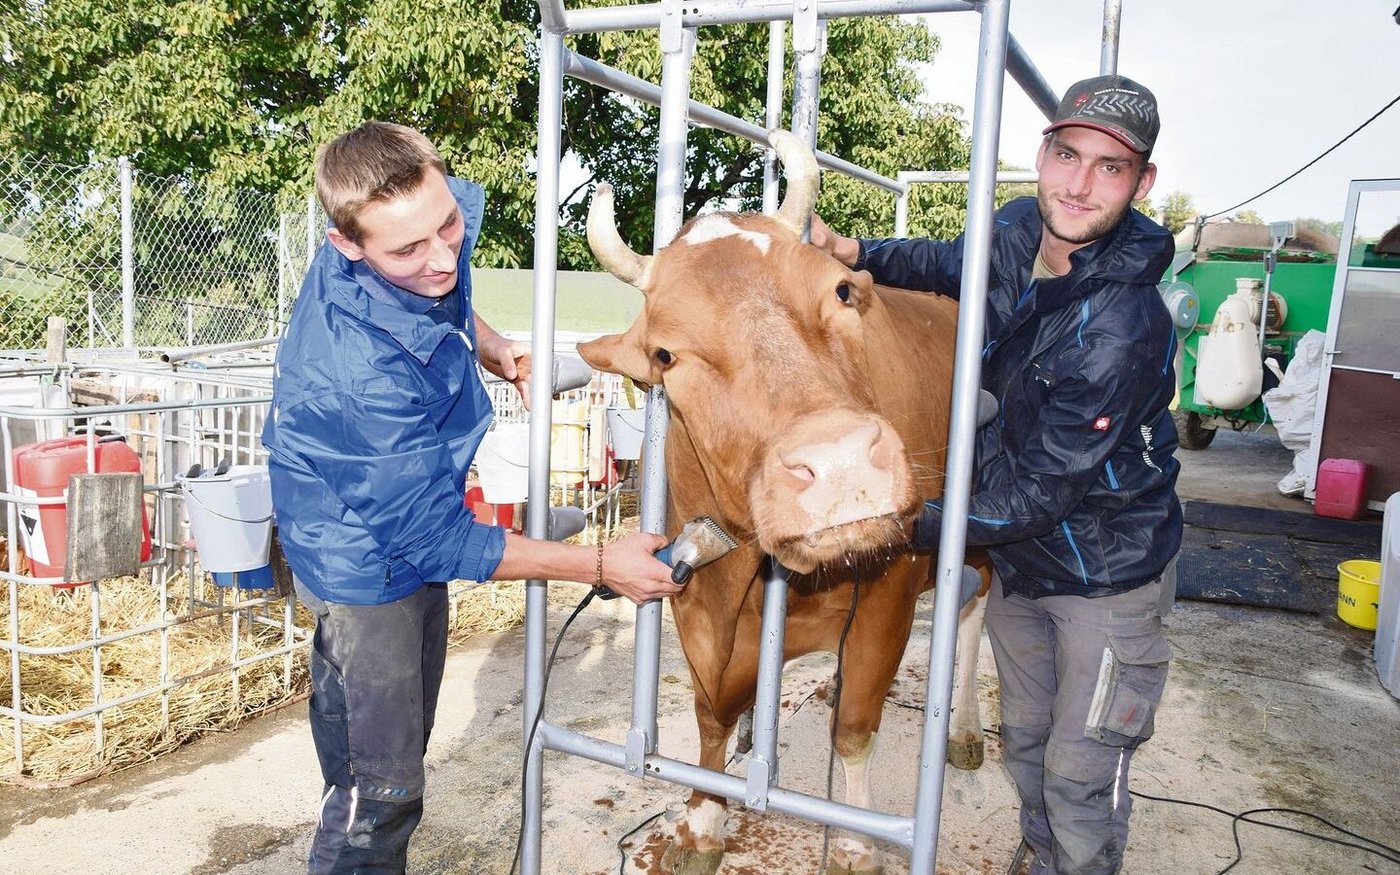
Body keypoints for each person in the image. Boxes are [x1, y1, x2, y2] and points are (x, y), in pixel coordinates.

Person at [261, 121, 681, 874]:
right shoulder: (352, 374)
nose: (443, 257)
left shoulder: (411, 229)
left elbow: (443, 291)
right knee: (377, 792)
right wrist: (598, 565)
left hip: (406, 527)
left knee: (401, 753)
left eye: (448, 224)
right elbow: (438, 542)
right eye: (408, 250)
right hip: (360, 562)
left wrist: (493, 346)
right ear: (344, 244)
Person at [812, 76, 1181, 874]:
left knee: (1081, 773)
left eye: (1110, 168)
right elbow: (947, 262)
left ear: (1142, 181)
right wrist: (858, 252)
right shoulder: (1016, 228)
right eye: (1068, 155)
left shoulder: (1121, 328)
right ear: (1043, 155)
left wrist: (896, 522)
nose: (1079, 184)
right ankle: (1044, 856)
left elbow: (1040, 494)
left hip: (1104, 574)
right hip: (1020, 563)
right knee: (1029, 746)